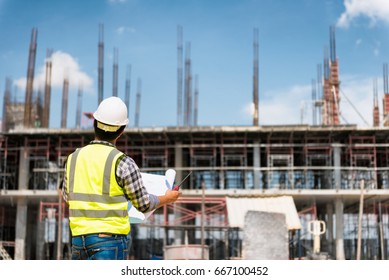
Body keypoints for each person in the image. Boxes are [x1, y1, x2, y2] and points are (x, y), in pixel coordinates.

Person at [62, 96, 181, 260]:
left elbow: (67, 197)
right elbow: (144, 204)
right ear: (122, 130)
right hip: (110, 241)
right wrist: (167, 198)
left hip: (78, 240)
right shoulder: (123, 162)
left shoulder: (73, 159)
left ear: (94, 122)